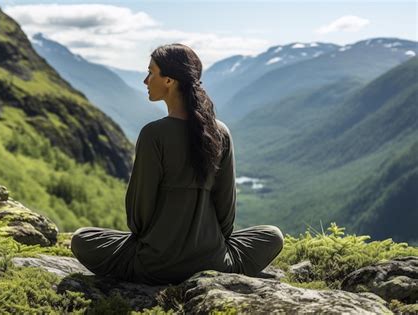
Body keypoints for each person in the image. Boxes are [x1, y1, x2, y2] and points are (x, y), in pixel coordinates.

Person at [70, 43, 284, 285]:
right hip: (213, 262)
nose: (145, 80)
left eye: (151, 72)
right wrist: (210, 246)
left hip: (153, 265)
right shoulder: (220, 132)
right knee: (272, 235)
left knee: (82, 239)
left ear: (169, 80)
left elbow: (139, 216)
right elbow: (226, 211)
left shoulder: (153, 135)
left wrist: (152, 242)